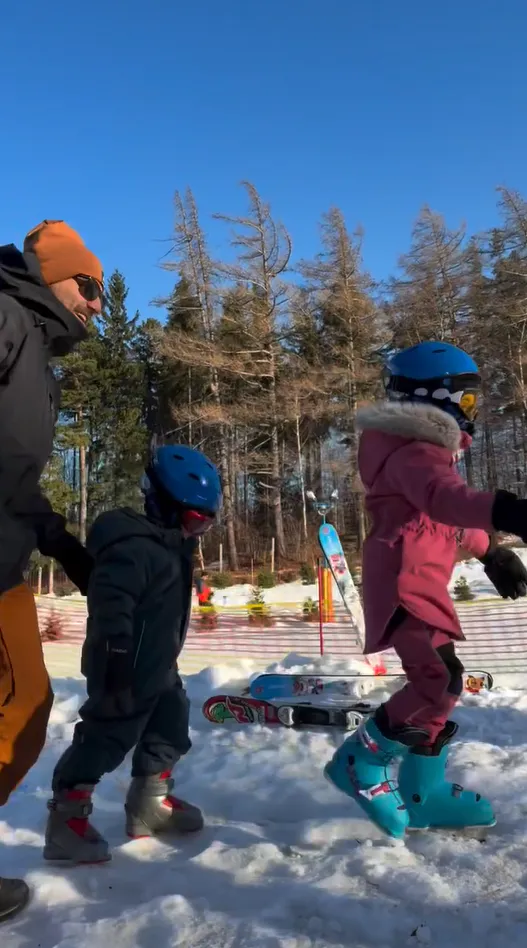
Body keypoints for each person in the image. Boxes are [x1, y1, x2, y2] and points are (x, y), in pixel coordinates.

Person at [324, 341, 527, 840]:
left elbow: (446, 518)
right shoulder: (413, 452)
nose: (474, 412)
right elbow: (445, 500)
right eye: (469, 401)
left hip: (421, 581)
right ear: (436, 398)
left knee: (444, 680)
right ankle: (360, 762)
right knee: (438, 681)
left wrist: (490, 551)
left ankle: (423, 791)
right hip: (403, 584)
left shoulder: (426, 452)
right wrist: (504, 510)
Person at [43, 444, 222, 865]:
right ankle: (66, 822)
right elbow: (111, 608)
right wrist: (117, 666)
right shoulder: (130, 547)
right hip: (120, 665)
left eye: (206, 525)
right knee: (106, 737)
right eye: (195, 521)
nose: (197, 533)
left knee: (171, 726)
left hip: (157, 665)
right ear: (161, 503)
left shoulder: (171, 546)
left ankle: (149, 804)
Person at [0, 221, 102, 919]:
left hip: (5, 561)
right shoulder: (5, 315)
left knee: (27, 710)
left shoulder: (39, 354)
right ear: (53, 277)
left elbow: (13, 474)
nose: (98, 303)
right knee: (20, 709)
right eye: (89, 287)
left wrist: (62, 543)